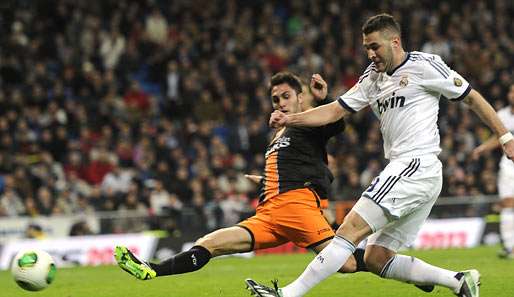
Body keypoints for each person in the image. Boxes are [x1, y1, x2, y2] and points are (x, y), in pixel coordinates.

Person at [246, 13, 514, 297]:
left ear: (394, 41)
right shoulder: (372, 78)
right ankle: (459, 281)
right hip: (414, 173)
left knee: (348, 231)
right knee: (376, 257)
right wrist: (292, 120)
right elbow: (336, 110)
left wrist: (505, 136)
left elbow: (471, 96)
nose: (370, 53)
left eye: (375, 46)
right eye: (366, 48)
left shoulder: (425, 66)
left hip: (415, 164)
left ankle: (286, 294)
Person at [114, 72, 363, 280]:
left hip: (295, 207)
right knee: (210, 242)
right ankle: (152, 269)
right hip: (268, 214)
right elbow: (296, 166)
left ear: (300, 97)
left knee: (347, 264)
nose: (281, 103)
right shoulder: (279, 135)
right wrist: (265, 182)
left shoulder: (308, 122)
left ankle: (388, 260)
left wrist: (324, 100)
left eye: (286, 96)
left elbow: (335, 125)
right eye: (276, 100)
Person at [472, 83, 514, 259]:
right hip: (509, 164)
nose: (513, 94)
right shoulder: (503, 114)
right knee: (507, 203)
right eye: (511, 91)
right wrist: (483, 148)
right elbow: (499, 137)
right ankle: (510, 246)